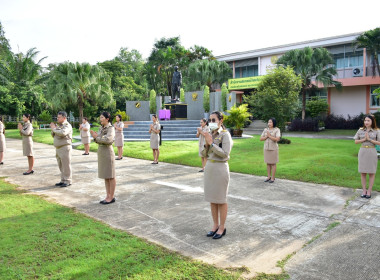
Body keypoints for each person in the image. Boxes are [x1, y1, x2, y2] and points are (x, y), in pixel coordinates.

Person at [202, 111, 233, 239]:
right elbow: (205, 154)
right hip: (210, 167)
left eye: (214, 120)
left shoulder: (225, 135)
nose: (211, 122)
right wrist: (207, 143)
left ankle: (222, 227)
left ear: (221, 120)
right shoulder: (211, 134)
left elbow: (225, 154)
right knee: (212, 199)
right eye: (210, 120)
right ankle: (215, 225)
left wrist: (212, 144)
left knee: (221, 199)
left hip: (220, 168)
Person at [90, 112, 116, 204]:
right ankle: (107, 195)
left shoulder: (111, 128)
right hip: (101, 152)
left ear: (107, 119)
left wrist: (96, 138)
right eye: (100, 117)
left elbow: (108, 140)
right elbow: (99, 139)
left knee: (111, 175)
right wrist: (96, 137)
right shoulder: (101, 128)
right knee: (106, 175)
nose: (100, 119)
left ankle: (111, 197)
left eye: (102, 117)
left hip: (108, 152)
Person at [354, 114, 380, 199]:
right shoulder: (361, 130)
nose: (366, 122)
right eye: (365, 120)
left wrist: (370, 140)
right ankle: (364, 190)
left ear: (372, 121)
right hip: (362, 151)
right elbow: (356, 141)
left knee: (371, 172)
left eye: (368, 120)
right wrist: (364, 139)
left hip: (372, 151)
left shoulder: (377, 131)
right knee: (363, 172)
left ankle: (369, 190)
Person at [50, 111, 73, 187]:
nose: (57, 118)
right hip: (59, 148)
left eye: (59, 117)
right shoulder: (59, 126)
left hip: (65, 147)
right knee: (61, 165)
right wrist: (53, 129)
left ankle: (68, 180)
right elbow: (54, 135)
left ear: (64, 118)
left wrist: (54, 129)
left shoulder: (67, 125)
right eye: (57, 117)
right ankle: (63, 179)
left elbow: (63, 133)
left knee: (66, 165)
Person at [260, 118, 281, 183]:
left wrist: (269, 136)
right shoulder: (265, 130)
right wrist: (267, 136)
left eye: (270, 122)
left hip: (273, 149)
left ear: (273, 123)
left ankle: (273, 177)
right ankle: (268, 176)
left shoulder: (277, 130)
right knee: (268, 163)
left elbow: (277, 139)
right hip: (266, 148)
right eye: (268, 122)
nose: (269, 123)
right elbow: (261, 139)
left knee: (273, 163)